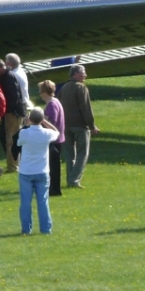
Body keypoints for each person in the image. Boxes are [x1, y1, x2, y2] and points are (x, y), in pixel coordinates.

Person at [17, 107, 60, 235]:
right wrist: (44, 122)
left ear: (30, 119)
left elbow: (19, 142)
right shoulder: (46, 134)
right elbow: (56, 132)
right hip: (42, 171)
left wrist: (25, 125)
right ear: (41, 119)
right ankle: (46, 229)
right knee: (43, 201)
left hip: (26, 172)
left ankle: (26, 229)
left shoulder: (25, 133)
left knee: (25, 202)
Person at [57, 64, 99, 188]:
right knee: (82, 154)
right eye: (83, 72)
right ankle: (73, 180)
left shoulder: (64, 88)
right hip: (80, 126)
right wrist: (92, 126)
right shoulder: (81, 88)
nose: (85, 75)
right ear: (75, 74)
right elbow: (86, 108)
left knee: (70, 155)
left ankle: (70, 179)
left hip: (66, 126)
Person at [0, 57, 26, 173]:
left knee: (11, 139)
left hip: (13, 112)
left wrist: (7, 110)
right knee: (8, 138)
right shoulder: (3, 77)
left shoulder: (9, 77)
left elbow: (14, 96)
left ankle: (13, 166)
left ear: (1, 66)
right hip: (9, 112)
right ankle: (12, 165)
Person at [38, 80, 65, 197]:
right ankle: (53, 189)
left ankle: (53, 190)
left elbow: (52, 121)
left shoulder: (52, 104)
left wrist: (41, 119)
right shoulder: (55, 102)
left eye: (40, 92)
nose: (40, 94)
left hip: (54, 140)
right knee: (53, 166)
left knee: (52, 167)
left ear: (45, 92)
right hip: (57, 139)